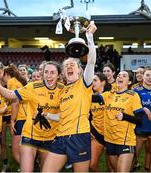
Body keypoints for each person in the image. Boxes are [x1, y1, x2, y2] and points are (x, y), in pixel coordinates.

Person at [41, 21, 97, 172]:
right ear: (64, 74)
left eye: (73, 65)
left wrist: (89, 37)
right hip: (60, 137)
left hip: (79, 137)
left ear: (79, 70)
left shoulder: (84, 83)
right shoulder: (62, 91)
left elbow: (91, 61)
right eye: (66, 66)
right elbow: (63, 116)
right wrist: (48, 115)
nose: (69, 67)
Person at [0, 61, 64, 172]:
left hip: (50, 138)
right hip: (30, 136)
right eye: (46, 72)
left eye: (52, 72)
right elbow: (10, 94)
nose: (48, 76)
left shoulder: (63, 89)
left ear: (58, 75)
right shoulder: (33, 87)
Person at [133, 67, 151, 172]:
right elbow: (133, 108)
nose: (149, 78)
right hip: (140, 129)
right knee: (134, 158)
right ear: (143, 76)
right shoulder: (135, 91)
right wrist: (145, 109)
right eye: (147, 75)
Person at [2, 64, 27, 166]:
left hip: (20, 116)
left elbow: (15, 102)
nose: (1, 78)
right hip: (25, 115)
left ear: (7, 74)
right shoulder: (16, 81)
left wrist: (12, 120)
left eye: (2, 75)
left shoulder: (11, 82)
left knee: (16, 152)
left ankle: (28, 168)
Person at [90, 72, 111, 171]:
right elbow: (88, 117)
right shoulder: (91, 96)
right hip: (96, 135)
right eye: (92, 80)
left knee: (111, 167)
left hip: (111, 135)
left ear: (103, 82)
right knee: (92, 165)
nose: (92, 82)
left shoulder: (109, 95)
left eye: (95, 80)